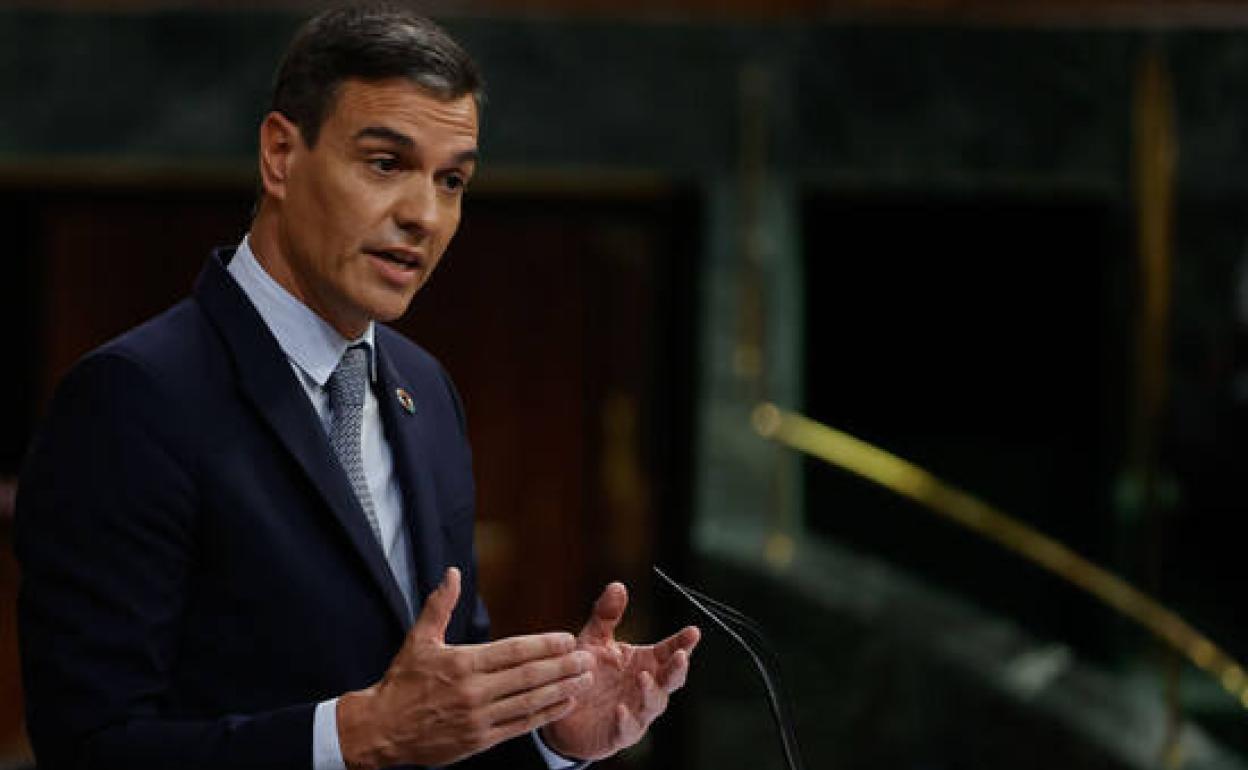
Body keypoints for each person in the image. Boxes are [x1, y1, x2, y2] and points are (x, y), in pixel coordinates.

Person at [14, 4, 699, 769]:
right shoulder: (133, 399)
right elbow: (89, 747)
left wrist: (549, 737)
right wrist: (355, 734)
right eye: (385, 163)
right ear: (280, 154)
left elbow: (437, 712)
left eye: (452, 180)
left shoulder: (425, 391)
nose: (424, 215)